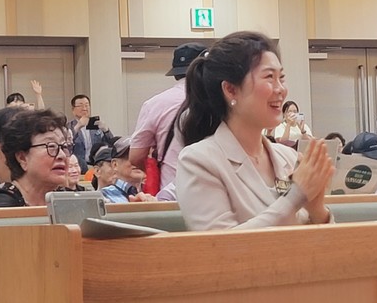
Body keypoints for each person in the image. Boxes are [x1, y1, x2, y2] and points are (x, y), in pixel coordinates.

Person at [175, 31, 334, 231]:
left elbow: (328, 245)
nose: (281, 89)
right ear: (231, 90)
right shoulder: (199, 161)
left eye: (281, 77)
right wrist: (296, 196)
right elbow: (219, 243)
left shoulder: (289, 157)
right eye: (269, 77)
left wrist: (317, 210)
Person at [129, 43, 207, 190]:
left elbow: (136, 156)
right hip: (212, 189)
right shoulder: (219, 101)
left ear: (175, 73)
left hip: (169, 190)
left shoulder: (154, 104)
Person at [0, 109, 71, 208]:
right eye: (51, 146)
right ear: (22, 158)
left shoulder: (68, 199)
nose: (62, 155)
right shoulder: (2, 203)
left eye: (64, 146)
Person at [67, 94, 115, 174]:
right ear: (73, 109)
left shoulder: (95, 124)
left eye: (87, 105)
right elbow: (66, 144)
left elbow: (111, 143)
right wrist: (78, 127)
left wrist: (106, 130)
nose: (84, 108)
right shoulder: (69, 126)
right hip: (78, 166)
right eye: (80, 105)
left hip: (96, 165)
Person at [101, 138, 155, 203]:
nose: (137, 161)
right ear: (115, 164)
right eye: (130, 156)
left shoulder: (156, 191)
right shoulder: (103, 196)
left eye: (142, 156)